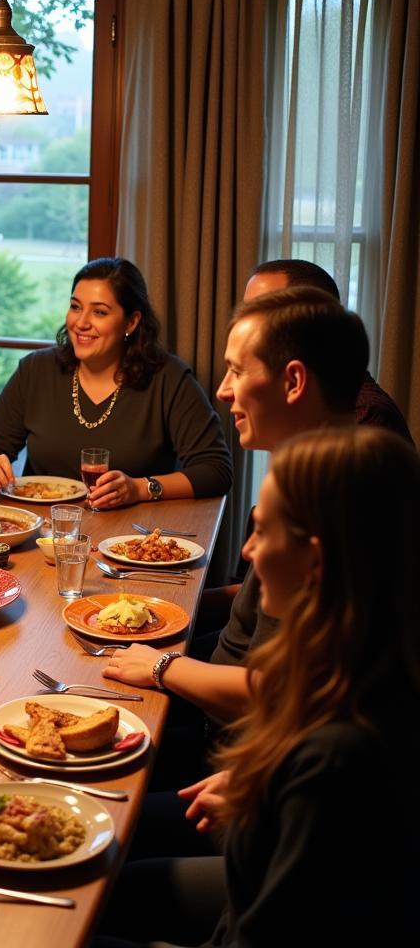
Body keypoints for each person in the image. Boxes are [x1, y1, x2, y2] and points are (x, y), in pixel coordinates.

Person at [95, 427, 417, 946]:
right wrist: (266, 788)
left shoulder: (336, 759)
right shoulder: (367, 665)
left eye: (262, 532)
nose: (247, 550)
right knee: (115, 869)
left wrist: (284, 796)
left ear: (315, 561)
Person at [104, 286, 370, 715]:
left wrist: (163, 668)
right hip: (217, 710)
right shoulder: (310, 471)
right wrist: (163, 607)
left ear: (294, 381)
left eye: (237, 372)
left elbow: (286, 693)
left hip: (235, 748)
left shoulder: (333, 500)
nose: (224, 391)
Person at [0, 257, 232, 508]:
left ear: (131, 322)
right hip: (42, 532)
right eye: (75, 307)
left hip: (129, 538)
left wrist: (139, 488)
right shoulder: (36, 369)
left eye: (99, 312)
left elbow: (216, 470)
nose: (81, 322)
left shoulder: (169, 378)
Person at [245, 257, 413, 444]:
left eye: (261, 313)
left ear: (311, 317)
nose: (246, 325)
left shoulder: (362, 416)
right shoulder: (307, 396)